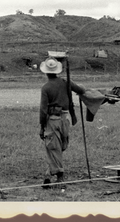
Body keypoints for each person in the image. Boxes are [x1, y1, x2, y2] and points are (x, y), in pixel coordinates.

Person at [39, 57, 85, 189]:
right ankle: (48, 175)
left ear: (46, 72)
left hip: (53, 120)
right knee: (57, 147)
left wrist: (42, 127)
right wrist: (70, 84)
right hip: (65, 119)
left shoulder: (46, 87)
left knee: (53, 147)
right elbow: (81, 90)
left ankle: (60, 176)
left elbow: (43, 110)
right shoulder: (65, 83)